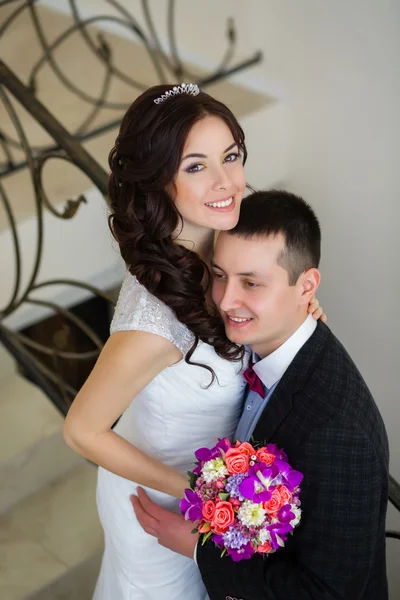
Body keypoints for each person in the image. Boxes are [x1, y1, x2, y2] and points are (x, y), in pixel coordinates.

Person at [63, 83, 323, 600]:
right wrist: (197, 493)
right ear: (160, 182)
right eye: (196, 166)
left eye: (231, 156)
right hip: (160, 504)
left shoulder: (227, 236)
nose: (227, 181)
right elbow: (82, 430)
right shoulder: (155, 324)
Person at [132, 190, 389, 600]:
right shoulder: (262, 338)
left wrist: (199, 551)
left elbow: (329, 593)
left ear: (306, 286)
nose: (226, 300)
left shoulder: (339, 434)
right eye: (219, 275)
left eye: (251, 283)